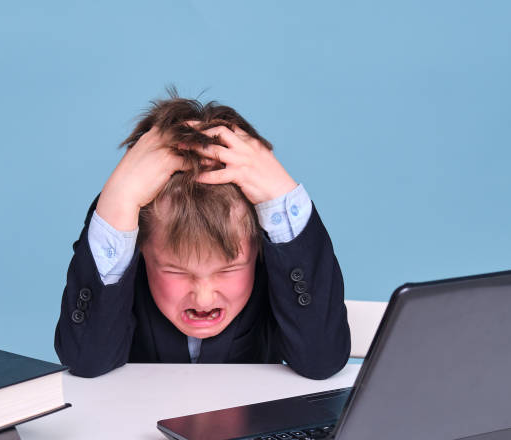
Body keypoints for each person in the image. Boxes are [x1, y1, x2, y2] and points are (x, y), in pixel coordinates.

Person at [55, 90, 350, 379]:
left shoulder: (271, 249)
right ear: (139, 247)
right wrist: (119, 200)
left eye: (229, 269)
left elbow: (321, 360)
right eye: (175, 270)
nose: (204, 297)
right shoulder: (128, 227)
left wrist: (280, 195)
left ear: (259, 245)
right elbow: (86, 360)